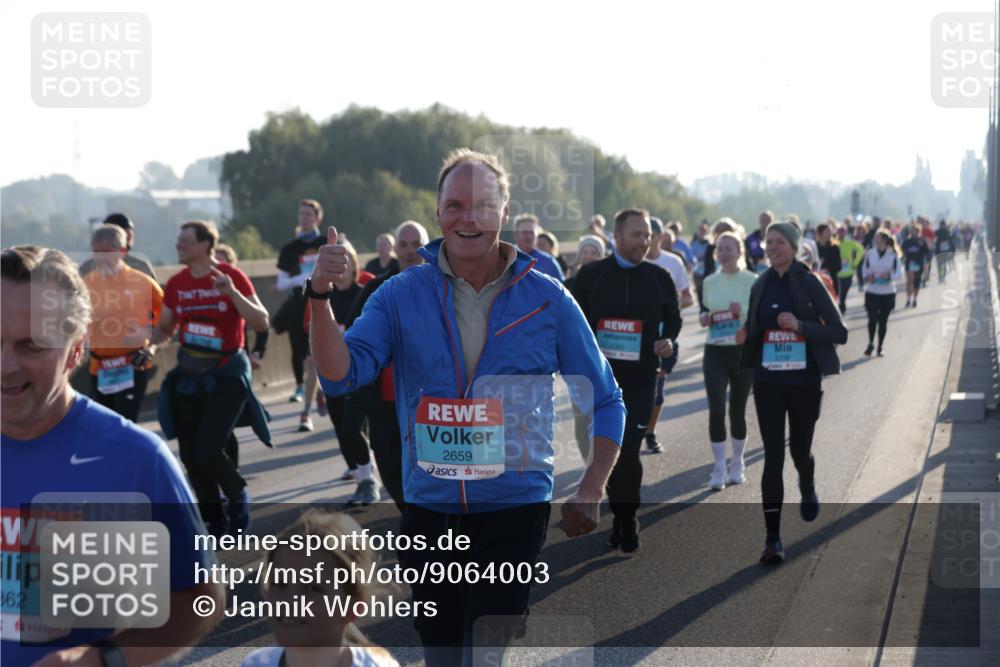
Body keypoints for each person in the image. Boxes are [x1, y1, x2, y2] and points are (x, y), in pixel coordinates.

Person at [309, 148, 625, 665]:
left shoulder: (547, 298)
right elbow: (340, 375)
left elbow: (607, 397)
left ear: (504, 211)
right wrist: (319, 296)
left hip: (513, 507)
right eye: (455, 205)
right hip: (430, 508)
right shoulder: (398, 294)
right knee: (441, 654)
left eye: (482, 204)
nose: (468, 217)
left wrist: (592, 486)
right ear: (438, 213)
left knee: (482, 654)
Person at [1, 245, 223, 666]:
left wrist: (105, 659)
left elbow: (201, 599)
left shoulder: (135, 460)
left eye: (31, 346)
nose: (5, 365)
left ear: (75, 349)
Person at [734, 221, 847, 564]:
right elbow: (755, 329)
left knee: (799, 450)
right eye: (769, 242)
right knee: (773, 456)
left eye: (780, 242)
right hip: (768, 381)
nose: (772, 247)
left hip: (803, 382)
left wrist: (799, 326)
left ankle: (807, 483)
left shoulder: (809, 281)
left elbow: (839, 332)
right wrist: (745, 335)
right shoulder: (761, 283)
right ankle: (772, 539)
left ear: (795, 247)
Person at [571, 208, 682, 551]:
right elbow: (572, 320)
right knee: (603, 449)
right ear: (616, 237)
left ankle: (626, 518)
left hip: (640, 379)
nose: (644, 241)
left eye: (648, 235)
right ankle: (618, 512)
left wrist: (667, 344)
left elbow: (673, 323)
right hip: (600, 380)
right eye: (637, 234)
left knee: (629, 449)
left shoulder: (659, 277)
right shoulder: (592, 276)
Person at [154, 220, 271, 537]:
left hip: (227, 375)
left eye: (185, 242)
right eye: (178, 242)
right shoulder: (177, 284)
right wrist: (149, 344)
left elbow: (261, 321)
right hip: (191, 375)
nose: (179, 246)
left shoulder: (230, 277)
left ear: (205, 245)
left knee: (208, 448)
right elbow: (165, 327)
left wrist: (233, 294)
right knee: (191, 454)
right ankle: (215, 521)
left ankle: (237, 495)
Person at [339, 221, 431, 511]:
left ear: (427, 247)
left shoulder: (444, 287)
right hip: (385, 401)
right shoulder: (377, 288)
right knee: (390, 467)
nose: (408, 251)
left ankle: (429, 528)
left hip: (430, 402)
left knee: (432, 472)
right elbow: (352, 335)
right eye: (402, 245)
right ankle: (411, 516)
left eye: (416, 244)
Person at [241, 510, 399, 667]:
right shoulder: (254, 663)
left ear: (352, 608)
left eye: (312, 588)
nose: (289, 601)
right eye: (279, 583)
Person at [82, 224, 163, 421]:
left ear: (122, 251)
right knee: (104, 426)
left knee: (125, 423)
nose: (101, 257)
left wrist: (151, 345)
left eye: (107, 252)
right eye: (97, 252)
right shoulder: (86, 283)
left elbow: (167, 318)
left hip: (133, 364)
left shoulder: (142, 282)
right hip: (99, 367)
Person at [697, 231, 756, 490]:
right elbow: (705, 309)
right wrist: (703, 317)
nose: (723, 253)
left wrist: (740, 312)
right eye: (720, 249)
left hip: (742, 352)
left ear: (740, 251)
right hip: (715, 350)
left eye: (729, 248)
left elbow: (757, 316)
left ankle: (738, 462)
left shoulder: (752, 280)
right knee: (717, 410)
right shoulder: (709, 281)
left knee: (737, 411)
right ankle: (719, 467)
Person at [642, 217, 694, 453]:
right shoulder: (634, 263)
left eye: (651, 236)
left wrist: (670, 308)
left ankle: (650, 432)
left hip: (664, 334)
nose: (647, 240)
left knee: (658, 386)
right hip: (636, 334)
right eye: (643, 235)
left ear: (660, 237)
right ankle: (630, 431)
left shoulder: (672, 263)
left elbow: (688, 296)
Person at [276, 199, 326, 409]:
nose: (304, 218)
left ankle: (325, 385)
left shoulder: (326, 242)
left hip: (323, 302)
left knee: (321, 347)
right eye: (301, 214)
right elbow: (281, 283)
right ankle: (299, 386)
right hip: (298, 304)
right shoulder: (290, 249)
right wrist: (303, 279)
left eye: (308, 214)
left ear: (317, 218)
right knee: (298, 348)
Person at [216, 243, 269, 371]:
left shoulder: (238, 285)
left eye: (221, 262)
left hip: (237, 354)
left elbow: (262, 322)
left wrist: (257, 352)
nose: (217, 266)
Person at [78, 212, 158, 281]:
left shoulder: (141, 267)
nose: (128, 241)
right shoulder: (86, 269)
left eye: (130, 236)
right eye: (124, 237)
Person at [861, 229, 903, 357]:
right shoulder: (869, 253)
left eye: (878, 239)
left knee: (883, 321)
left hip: (887, 293)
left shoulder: (893, 255)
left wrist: (889, 276)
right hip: (872, 291)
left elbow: (899, 274)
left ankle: (880, 346)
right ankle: (870, 343)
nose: (875, 241)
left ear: (884, 240)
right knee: (872, 319)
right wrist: (868, 277)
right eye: (875, 239)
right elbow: (864, 270)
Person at [512, 213, 564, 281]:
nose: (528, 236)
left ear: (537, 235)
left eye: (531, 232)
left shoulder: (548, 261)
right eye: (524, 232)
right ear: (515, 235)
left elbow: (561, 287)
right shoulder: (507, 258)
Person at [835, 223, 865, 314]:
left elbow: (861, 250)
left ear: (845, 233)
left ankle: (841, 307)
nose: (841, 234)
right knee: (839, 294)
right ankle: (840, 310)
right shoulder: (834, 243)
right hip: (837, 273)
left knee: (843, 294)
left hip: (848, 273)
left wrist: (855, 263)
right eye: (839, 232)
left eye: (843, 232)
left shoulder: (850, 243)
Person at [900, 220, 931, 308]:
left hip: (918, 264)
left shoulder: (921, 241)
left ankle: (914, 299)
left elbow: (927, 252)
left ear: (919, 232)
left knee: (916, 283)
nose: (914, 232)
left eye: (916, 231)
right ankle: (908, 299)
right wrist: (903, 256)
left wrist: (927, 260)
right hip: (909, 263)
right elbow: (901, 250)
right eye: (913, 231)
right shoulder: (907, 241)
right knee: (909, 282)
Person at [814, 221, 841, 299]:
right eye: (827, 231)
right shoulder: (814, 247)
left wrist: (827, 268)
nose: (830, 233)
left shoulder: (834, 248)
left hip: (832, 282)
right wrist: (819, 266)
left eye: (830, 231)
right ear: (820, 233)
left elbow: (838, 266)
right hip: (817, 283)